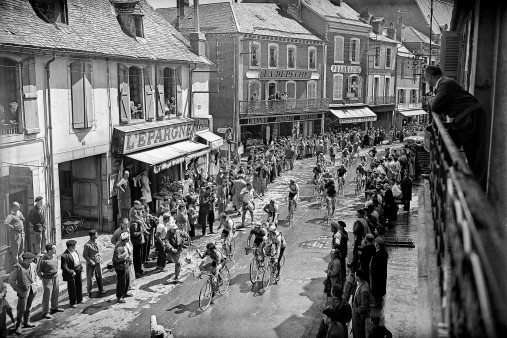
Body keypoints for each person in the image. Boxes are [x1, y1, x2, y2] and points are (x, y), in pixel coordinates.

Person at [425, 65, 487, 189]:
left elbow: (435, 106)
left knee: (474, 154)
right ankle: (444, 175)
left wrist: (431, 100)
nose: (426, 81)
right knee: (446, 145)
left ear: (431, 77)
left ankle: (479, 189)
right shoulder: (445, 83)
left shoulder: (445, 84)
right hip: (464, 118)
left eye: (426, 78)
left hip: (469, 118)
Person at [9, 252, 38, 335]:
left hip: (32, 289)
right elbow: (11, 281)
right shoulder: (17, 267)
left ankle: (26, 322)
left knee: (28, 307)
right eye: (31, 258)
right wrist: (19, 290)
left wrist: (35, 283)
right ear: (27, 259)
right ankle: (18, 325)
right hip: (23, 290)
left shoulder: (32, 265)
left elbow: (34, 274)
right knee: (21, 309)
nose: (33, 259)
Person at [36, 243, 63, 319]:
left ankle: (54, 307)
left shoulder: (54, 256)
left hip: (55, 277)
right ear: (49, 250)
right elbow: (38, 270)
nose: (55, 250)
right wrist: (43, 277)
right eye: (54, 249)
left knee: (55, 293)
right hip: (47, 279)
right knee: (47, 295)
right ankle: (46, 312)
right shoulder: (43, 259)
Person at [83, 230, 105, 298]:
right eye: (96, 234)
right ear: (92, 236)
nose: (97, 235)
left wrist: (100, 258)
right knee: (89, 277)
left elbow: (98, 252)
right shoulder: (87, 245)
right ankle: (88, 291)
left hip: (98, 261)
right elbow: (85, 255)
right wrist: (90, 261)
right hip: (91, 263)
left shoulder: (97, 242)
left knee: (100, 275)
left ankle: (101, 288)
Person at [61, 240, 83, 308]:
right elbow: (64, 266)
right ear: (70, 247)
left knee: (79, 285)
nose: (75, 247)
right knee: (72, 287)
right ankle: (73, 302)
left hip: (78, 269)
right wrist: (71, 271)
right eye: (74, 246)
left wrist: (81, 266)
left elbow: (77, 260)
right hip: (71, 272)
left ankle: (80, 299)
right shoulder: (65, 255)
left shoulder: (75, 251)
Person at [113, 232, 133, 303]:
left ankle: (125, 293)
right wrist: (125, 257)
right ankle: (119, 297)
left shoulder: (125, 244)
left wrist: (128, 259)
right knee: (121, 282)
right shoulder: (119, 247)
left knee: (127, 279)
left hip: (126, 265)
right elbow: (118, 258)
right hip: (120, 266)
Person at [370, 237, 389, 310]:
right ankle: (378, 303)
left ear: (377, 245)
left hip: (377, 275)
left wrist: (371, 271)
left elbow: (374, 266)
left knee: (376, 290)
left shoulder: (377, 255)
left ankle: (377, 304)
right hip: (382, 274)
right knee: (380, 290)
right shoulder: (384, 253)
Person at [352, 269, 371, 338]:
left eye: (355, 275)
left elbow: (364, 306)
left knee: (358, 331)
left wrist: (355, 310)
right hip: (357, 311)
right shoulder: (362, 283)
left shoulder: (363, 290)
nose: (354, 276)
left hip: (359, 314)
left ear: (358, 277)